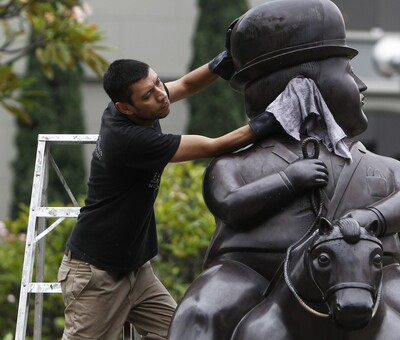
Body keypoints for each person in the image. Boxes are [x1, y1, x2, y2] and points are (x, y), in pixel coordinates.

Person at [168, 1, 400, 339]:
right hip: (254, 269)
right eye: (347, 72)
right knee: (199, 313)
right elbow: (228, 202)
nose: (361, 86)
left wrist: (372, 218)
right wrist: (288, 180)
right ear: (303, 88)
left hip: (370, 274)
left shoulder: (380, 166)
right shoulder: (234, 165)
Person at [57, 56, 280, 339]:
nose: (162, 95)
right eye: (149, 95)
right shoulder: (128, 141)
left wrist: (221, 62)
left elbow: (185, 84)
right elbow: (214, 146)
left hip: (136, 271)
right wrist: (270, 120)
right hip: (96, 274)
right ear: (125, 107)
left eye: (158, 82)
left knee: (181, 334)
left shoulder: (142, 104)